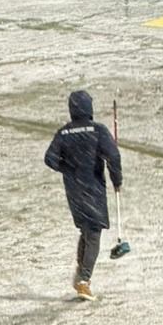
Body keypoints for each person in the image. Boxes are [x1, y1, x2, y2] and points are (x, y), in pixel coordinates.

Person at [43, 90, 122, 300]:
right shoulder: (98, 130)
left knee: (87, 230)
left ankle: (80, 273)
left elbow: (49, 159)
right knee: (94, 232)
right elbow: (113, 156)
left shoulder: (63, 133)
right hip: (93, 188)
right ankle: (84, 280)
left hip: (74, 190)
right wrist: (117, 180)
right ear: (89, 107)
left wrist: (68, 169)